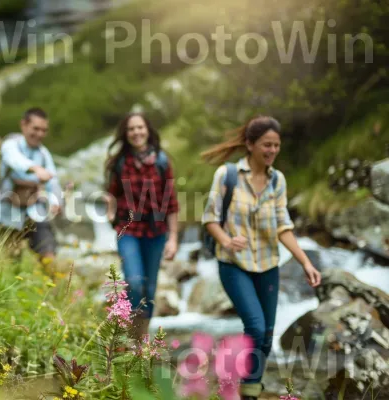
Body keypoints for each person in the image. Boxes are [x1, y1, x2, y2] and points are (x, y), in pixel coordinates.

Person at [200, 116, 322, 400]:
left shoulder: (277, 180)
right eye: (267, 144)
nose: (272, 150)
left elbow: (283, 226)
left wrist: (305, 261)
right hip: (234, 265)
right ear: (250, 144)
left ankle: (245, 381)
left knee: (266, 335)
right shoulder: (227, 175)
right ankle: (249, 391)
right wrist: (227, 241)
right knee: (254, 326)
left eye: (276, 145)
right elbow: (210, 219)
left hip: (268, 265)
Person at [105, 112, 179, 341]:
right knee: (134, 281)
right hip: (128, 231)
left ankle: (140, 340)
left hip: (156, 233)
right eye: (131, 129)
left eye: (140, 127)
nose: (136, 132)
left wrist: (174, 238)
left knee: (150, 288)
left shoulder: (161, 162)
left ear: (148, 130)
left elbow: (172, 202)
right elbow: (111, 193)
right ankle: (129, 333)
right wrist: (111, 213)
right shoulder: (120, 163)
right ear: (125, 134)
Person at [0, 107, 62, 262]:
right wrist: (35, 168)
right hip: (8, 215)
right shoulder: (10, 145)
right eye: (35, 128)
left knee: (48, 256)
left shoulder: (44, 154)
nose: (40, 134)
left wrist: (56, 201)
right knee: (11, 261)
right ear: (23, 125)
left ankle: (52, 282)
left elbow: (53, 181)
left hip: (35, 213)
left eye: (44, 130)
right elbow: (14, 160)